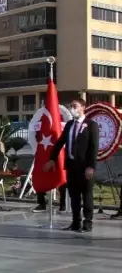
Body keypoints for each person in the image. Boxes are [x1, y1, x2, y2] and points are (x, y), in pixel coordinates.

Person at [44, 98, 98, 233]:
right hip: (71, 165)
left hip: (85, 167)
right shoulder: (69, 125)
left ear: (83, 107)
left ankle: (87, 223)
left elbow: (94, 147)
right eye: (71, 106)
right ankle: (75, 222)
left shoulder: (91, 125)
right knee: (74, 196)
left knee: (87, 196)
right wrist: (52, 159)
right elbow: (60, 143)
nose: (72, 108)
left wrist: (91, 166)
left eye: (75, 106)